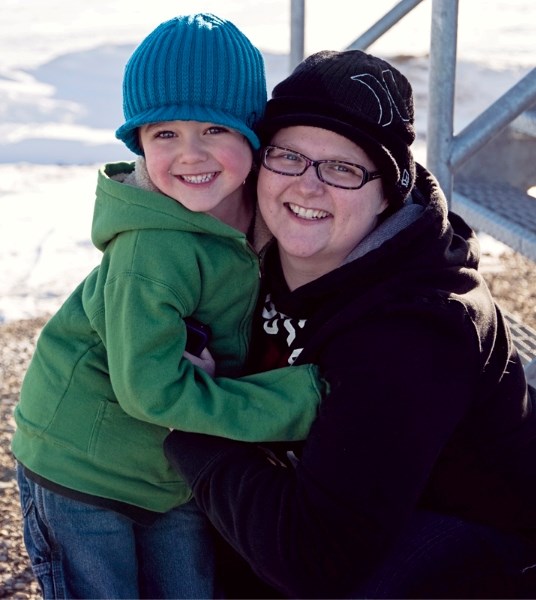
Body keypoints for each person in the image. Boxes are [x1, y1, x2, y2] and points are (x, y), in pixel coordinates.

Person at [165, 49, 536, 599]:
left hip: (472, 535)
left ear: (389, 191)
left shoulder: (416, 331)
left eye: (343, 167)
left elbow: (315, 562)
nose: (308, 186)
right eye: (287, 155)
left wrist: (190, 425)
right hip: (344, 501)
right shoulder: (251, 256)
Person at [11, 14, 325, 599]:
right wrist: (297, 401)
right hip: (81, 466)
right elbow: (151, 389)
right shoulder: (151, 250)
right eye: (165, 135)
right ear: (139, 145)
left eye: (213, 129)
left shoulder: (256, 220)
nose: (190, 154)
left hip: (166, 468)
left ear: (252, 135)